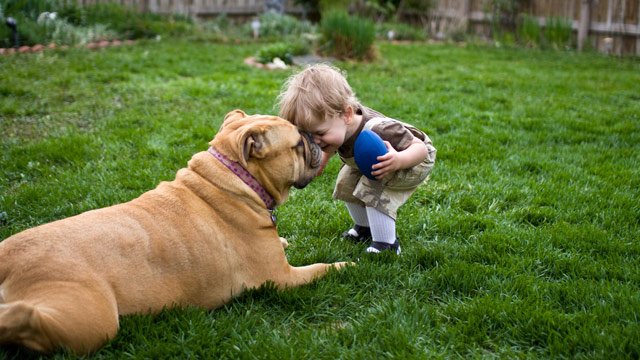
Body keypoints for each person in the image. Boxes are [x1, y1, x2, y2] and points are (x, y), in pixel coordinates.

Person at [277, 64, 436, 255]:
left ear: (347, 114)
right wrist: (321, 161)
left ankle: (387, 245)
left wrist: (398, 160)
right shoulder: (337, 128)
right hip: (371, 161)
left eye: (319, 133)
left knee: (371, 188)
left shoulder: (380, 130)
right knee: (346, 182)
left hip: (411, 160)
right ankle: (365, 229)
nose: (314, 141)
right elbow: (330, 145)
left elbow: (420, 149)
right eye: (308, 135)